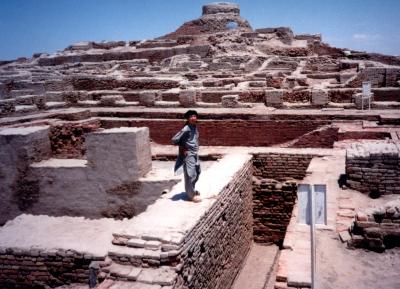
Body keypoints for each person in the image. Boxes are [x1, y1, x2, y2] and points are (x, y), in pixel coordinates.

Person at [171, 110, 201, 202]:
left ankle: (192, 189)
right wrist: (183, 147)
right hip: (189, 155)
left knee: (197, 172)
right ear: (188, 119)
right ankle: (191, 196)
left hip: (195, 153)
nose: (193, 118)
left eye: (194, 116)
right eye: (191, 116)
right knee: (190, 174)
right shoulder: (186, 128)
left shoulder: (194, 127)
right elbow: (174, 139)